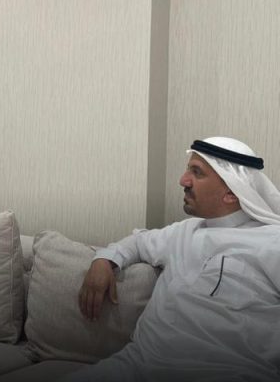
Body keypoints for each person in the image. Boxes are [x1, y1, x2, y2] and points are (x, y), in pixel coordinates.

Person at [73, 136, 280, 381]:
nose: (183, 180)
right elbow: (138, 242)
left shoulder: (271, 241)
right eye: (187, 169)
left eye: (197, 172)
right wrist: (103, 261)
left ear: (231, 192)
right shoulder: (183, 231)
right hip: (136, 366)